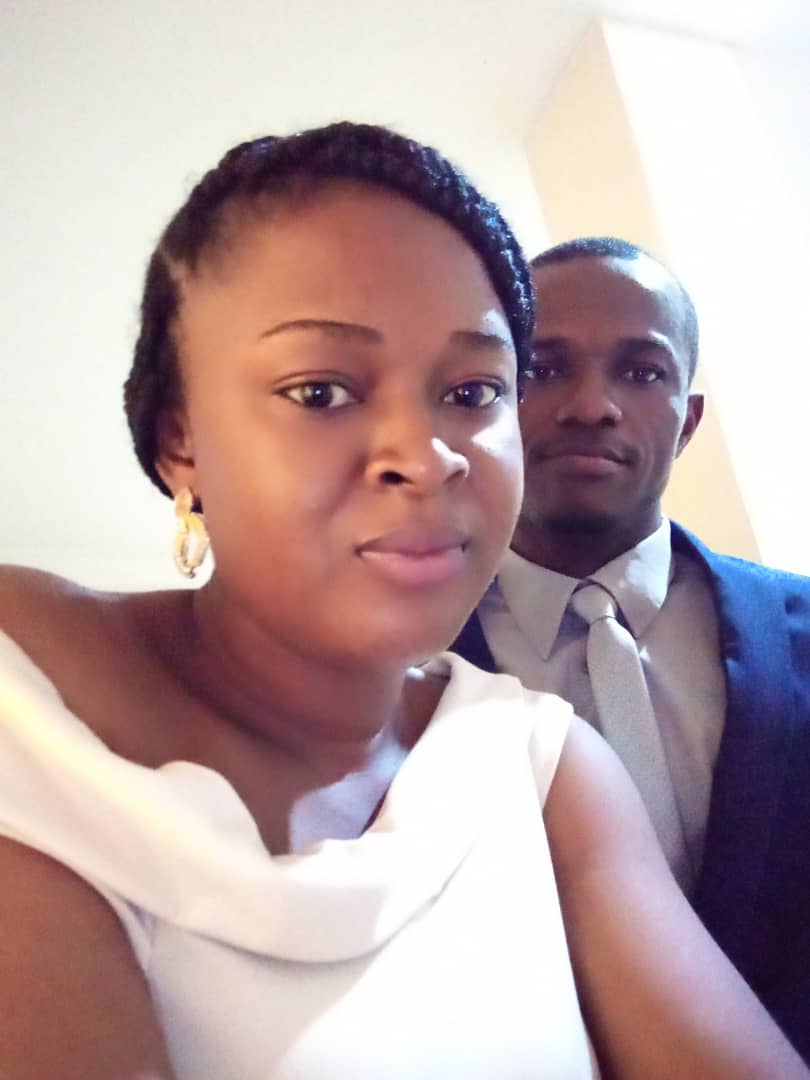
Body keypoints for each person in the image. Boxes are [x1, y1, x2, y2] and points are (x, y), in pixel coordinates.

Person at [0, 133, 805, 1080]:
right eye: (320, 390)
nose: (426, 457)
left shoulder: (539, 759)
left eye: (472, 390)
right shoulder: (29, 697)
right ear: (179, 440)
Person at [452, 234, 810, 1062]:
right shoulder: (394, 664)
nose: (591, 406)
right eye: (544, 368)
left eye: (642, 371)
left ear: (688, 421)